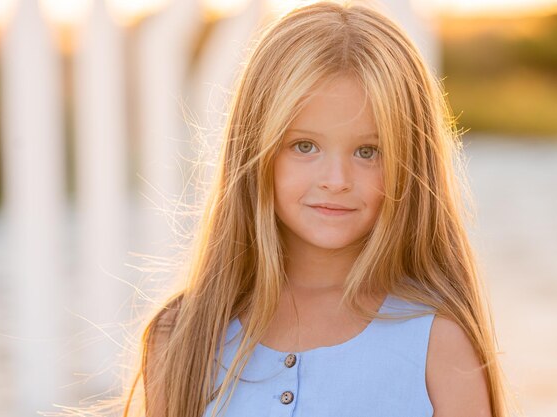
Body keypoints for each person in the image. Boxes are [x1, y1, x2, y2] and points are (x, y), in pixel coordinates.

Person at [127, 2, 518, 417]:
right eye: (304, 146)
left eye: (368, 152)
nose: (336, 179)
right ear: (255, 150)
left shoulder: (440, 343)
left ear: (411, 164)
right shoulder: (184, 336)